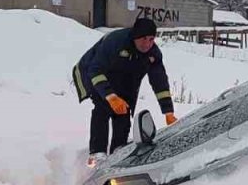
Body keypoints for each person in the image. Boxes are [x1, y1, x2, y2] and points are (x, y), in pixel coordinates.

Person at [72, 16, 177, 166]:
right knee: (102, 108)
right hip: (95, 73)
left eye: (151, 39)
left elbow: (159, 81)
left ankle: (118, 150)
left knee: (123, 111)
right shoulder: (115, 42)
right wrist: (111, 96)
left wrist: (168, 112)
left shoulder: (153, 54)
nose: (148, 44)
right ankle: (97, 153)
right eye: (144, 39)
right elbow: (95, 70)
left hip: (125, 80)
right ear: (135, 37)